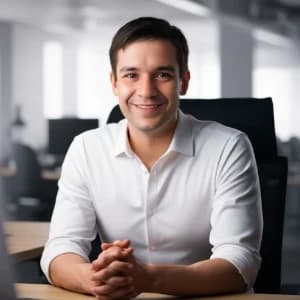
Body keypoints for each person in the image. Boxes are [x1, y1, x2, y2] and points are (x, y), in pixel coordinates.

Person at [41, 17, 263, 299]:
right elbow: (61, 249)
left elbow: (240, 263)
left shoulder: (228, 147)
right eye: (131, 75)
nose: (146, 91)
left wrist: (148, 279)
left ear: (184, 81)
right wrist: (92, 279)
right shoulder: (86, 149)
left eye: (163, 75)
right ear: (114, 82)